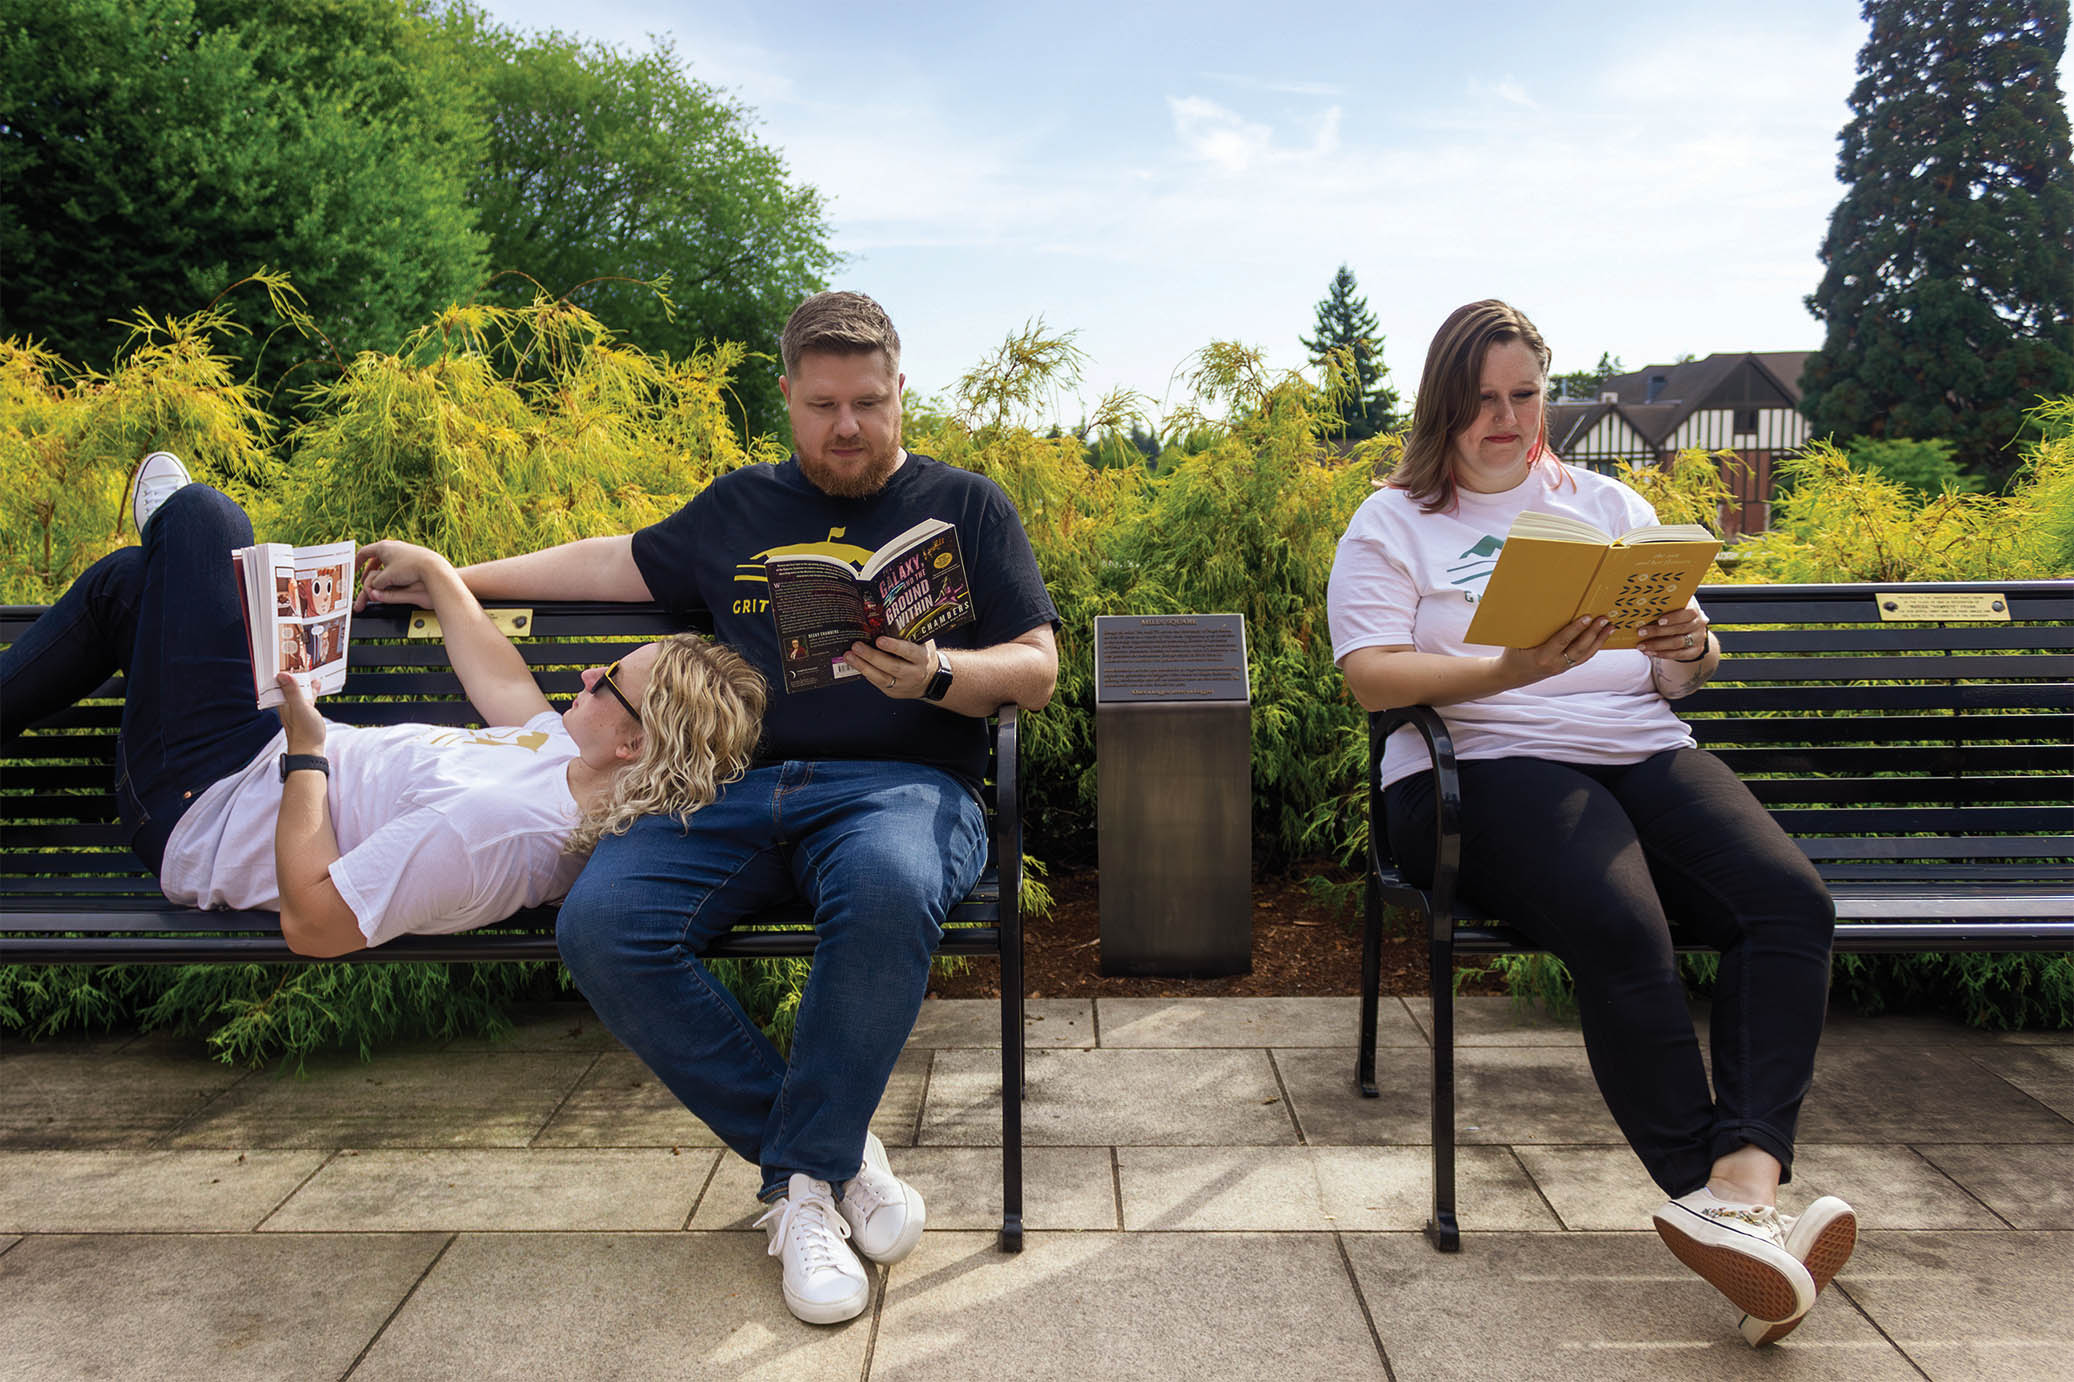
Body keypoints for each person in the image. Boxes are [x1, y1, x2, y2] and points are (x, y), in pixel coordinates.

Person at [451, 291, 1060, 1326]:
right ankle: (829, 1159)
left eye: (869, 402)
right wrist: (447, 582)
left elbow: (1037, 669)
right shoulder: (739, 506)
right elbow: (614, 560)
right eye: (823, 404)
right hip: (730, 790)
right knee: (603, 922)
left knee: (888, 887)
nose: (849, 426)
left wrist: (940, 671)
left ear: (901, 390)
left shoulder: (968, 506)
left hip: (904, 789)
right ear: (787, 396)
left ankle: (797, 1190)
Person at [1325, 301, 1854, 1347]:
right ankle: (1713, 1205)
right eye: (1481, 399)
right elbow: (1368, 676)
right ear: (1442, 405)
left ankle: (1743, 1187)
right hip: (1476, 761)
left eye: (1523, 395)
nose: (1506, 419)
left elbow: (1678, 676)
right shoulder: (1392, 520)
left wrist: (1688, 642)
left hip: (1635, 741)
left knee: (1788, 901)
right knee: (1622, 920)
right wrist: (1505, 668)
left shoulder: (1606, 503)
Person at [0, 453, 766, 957]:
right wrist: (437, 573)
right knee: (131, 585)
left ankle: (175, 524)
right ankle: (162, 544)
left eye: (611, 680)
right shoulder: (570, 761)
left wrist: (306, 751)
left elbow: (316, 924)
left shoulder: (495, 835)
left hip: (206, 806)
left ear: (635, 744)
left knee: (206, 522)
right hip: (253, 754)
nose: (591, 673)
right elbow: (501, 682)